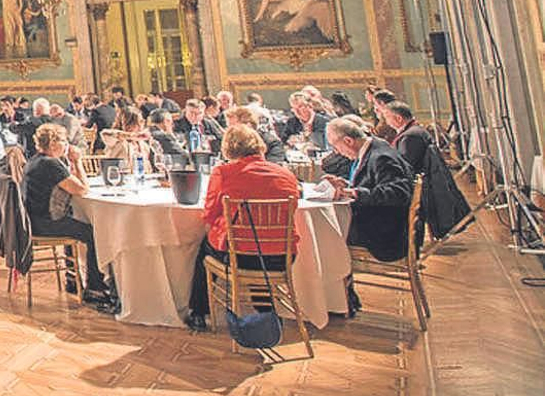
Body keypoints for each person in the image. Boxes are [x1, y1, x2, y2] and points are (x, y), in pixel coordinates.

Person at [185, 125, 300, 330]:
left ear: (228, 148)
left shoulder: (224, 172)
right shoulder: (286, 174)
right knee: (256, 246)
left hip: (240, 255)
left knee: (205, 249)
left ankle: (198, 312)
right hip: (282, 256)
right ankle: (266, 312)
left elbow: (209, 213)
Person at [23, 123, 116, 310]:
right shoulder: (51, 164)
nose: (67, 145)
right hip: (46, 223)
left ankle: (73, 278)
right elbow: (82, 189)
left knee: (76, 221)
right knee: (93, 233)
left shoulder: (35, 160)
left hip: (33, 220)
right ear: (54, 143)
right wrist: (77, 161)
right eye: (64, 141)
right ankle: (95, 288)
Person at [322, 115, 415, 263]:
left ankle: (339, 283)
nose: (337, 152)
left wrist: (355, 192)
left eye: (336, 146)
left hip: (387, 234)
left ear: (348, 141)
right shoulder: (374, 146)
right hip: (380, 222)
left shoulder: (381, 157)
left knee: (324, 236)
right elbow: (374, 183)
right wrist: (348, 185)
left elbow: (398, 193)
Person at [383, 102, 470, 242]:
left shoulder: (410, 137)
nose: (386, 122)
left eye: (387, 117)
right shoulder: (416, 130)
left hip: (421, 187)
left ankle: (404, 244)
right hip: (426, 181)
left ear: (398, 119)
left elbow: (406, 167)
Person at [101, 107, 168, 172]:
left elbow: (147, 170)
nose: (141, 126)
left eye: (142, 121)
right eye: (138, 122)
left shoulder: (143, 145)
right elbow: (105, 133)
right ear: (127, 124)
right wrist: (132, 135)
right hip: (118, 180)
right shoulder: (117, 142)